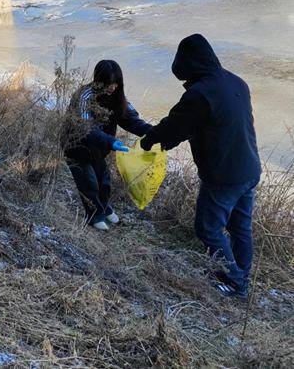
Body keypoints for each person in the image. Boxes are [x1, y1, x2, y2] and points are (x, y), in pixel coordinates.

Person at [141, 34, 261, 298]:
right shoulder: (236, 81)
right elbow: (204, 124)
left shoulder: (201, 94)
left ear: (191, 65)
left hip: (224, 175)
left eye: (185, 77)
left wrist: (150, 140)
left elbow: (176, 125)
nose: (185, 83)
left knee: (207, 227)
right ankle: (240, 276)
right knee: (240, 227)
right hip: (250, 168)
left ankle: (234, 282)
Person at [65, 60, 152, 231]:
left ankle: (104, 208)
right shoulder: (84, 96)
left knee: (104, 181)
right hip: (76, 146)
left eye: (116, 82)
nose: (112, 87)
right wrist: (111, 141)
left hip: (98, 149)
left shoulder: (118, 97)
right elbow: (86, 127)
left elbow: (131, 119)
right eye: (108, 83)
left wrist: (153, 133)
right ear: (98, 81)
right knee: (88, 183)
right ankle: (94, 216)